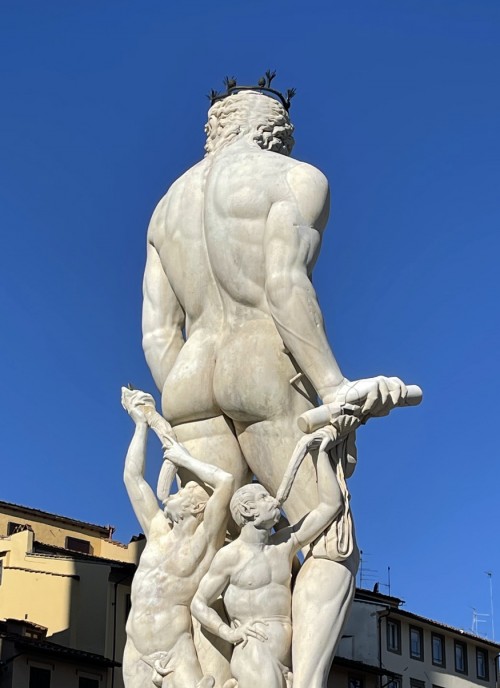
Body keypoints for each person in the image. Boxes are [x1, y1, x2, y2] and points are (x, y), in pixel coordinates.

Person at [142, 86, 408, 686]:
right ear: (278, 131)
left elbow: (157, 333)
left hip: (187, 380)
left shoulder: (165, 209)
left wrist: (183, 406)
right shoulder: (293, 178)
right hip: (260, 361)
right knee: (331, 538)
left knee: (213, 548)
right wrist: (333, 386)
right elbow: (284, 285)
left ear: (216, 128)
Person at [191, 427, 342, 688]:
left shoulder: (284, 544)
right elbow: (198, 603)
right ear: (247, 510)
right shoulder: (230, 556)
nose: (273, 500)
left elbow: (331, 506)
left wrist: (321, 454)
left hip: (289, 659)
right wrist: (229, 633)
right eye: (263, 497)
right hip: (254, 654)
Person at [121, 388, 234, 688]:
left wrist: (185, 459)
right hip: (136, 652)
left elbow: (226, 482)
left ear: (196, 508)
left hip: (174, 652)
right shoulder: (157, 530)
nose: (175, 492)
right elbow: (132, 478)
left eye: (184, 491)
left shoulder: (203, 543)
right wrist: (141, 425)